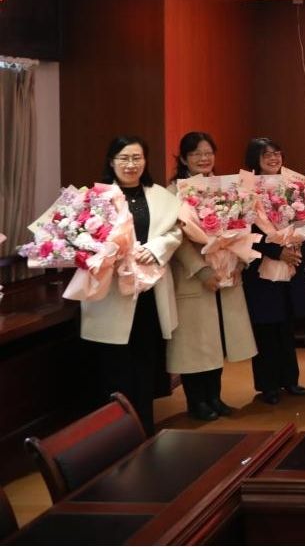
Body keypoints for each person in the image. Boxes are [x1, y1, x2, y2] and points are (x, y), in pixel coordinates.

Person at [83, 135, 183, 434]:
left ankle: (145, 428)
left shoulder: (160, 196)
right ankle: (116, 433)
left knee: (144, 361)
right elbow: (81, 237)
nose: (131, 164)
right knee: (114, 364)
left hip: (148, 291)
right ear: (111, 162)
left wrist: (155, 248)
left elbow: (176, 231)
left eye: (137, 157)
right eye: (124, 158)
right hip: (111, 293)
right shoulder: (96, 198)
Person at [166, 132, 257, 421]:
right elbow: (177, 241)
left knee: (216, 340)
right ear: (183, 159)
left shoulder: (225, 188)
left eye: (208, 153)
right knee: (195, 344)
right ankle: (197, 402)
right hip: (193, 277)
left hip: (224, 273)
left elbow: (239, 227)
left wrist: (239, 260)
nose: (203, 158)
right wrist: (202, 269)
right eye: (196, 154)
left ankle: (215, 398)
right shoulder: (174, 192)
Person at [241, 137, 305, 405]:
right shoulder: (246, 190)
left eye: (277, 153)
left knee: (285, 326)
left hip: (289, 264)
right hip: (261, 268)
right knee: (266, 327)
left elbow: (303, 220)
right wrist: (276, 251)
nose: (273, 158)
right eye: (266, 154)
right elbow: (246, 231)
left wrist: (294, 245)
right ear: (255, 159)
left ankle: (290, 380)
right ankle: (268, 385)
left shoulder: (292, 186)